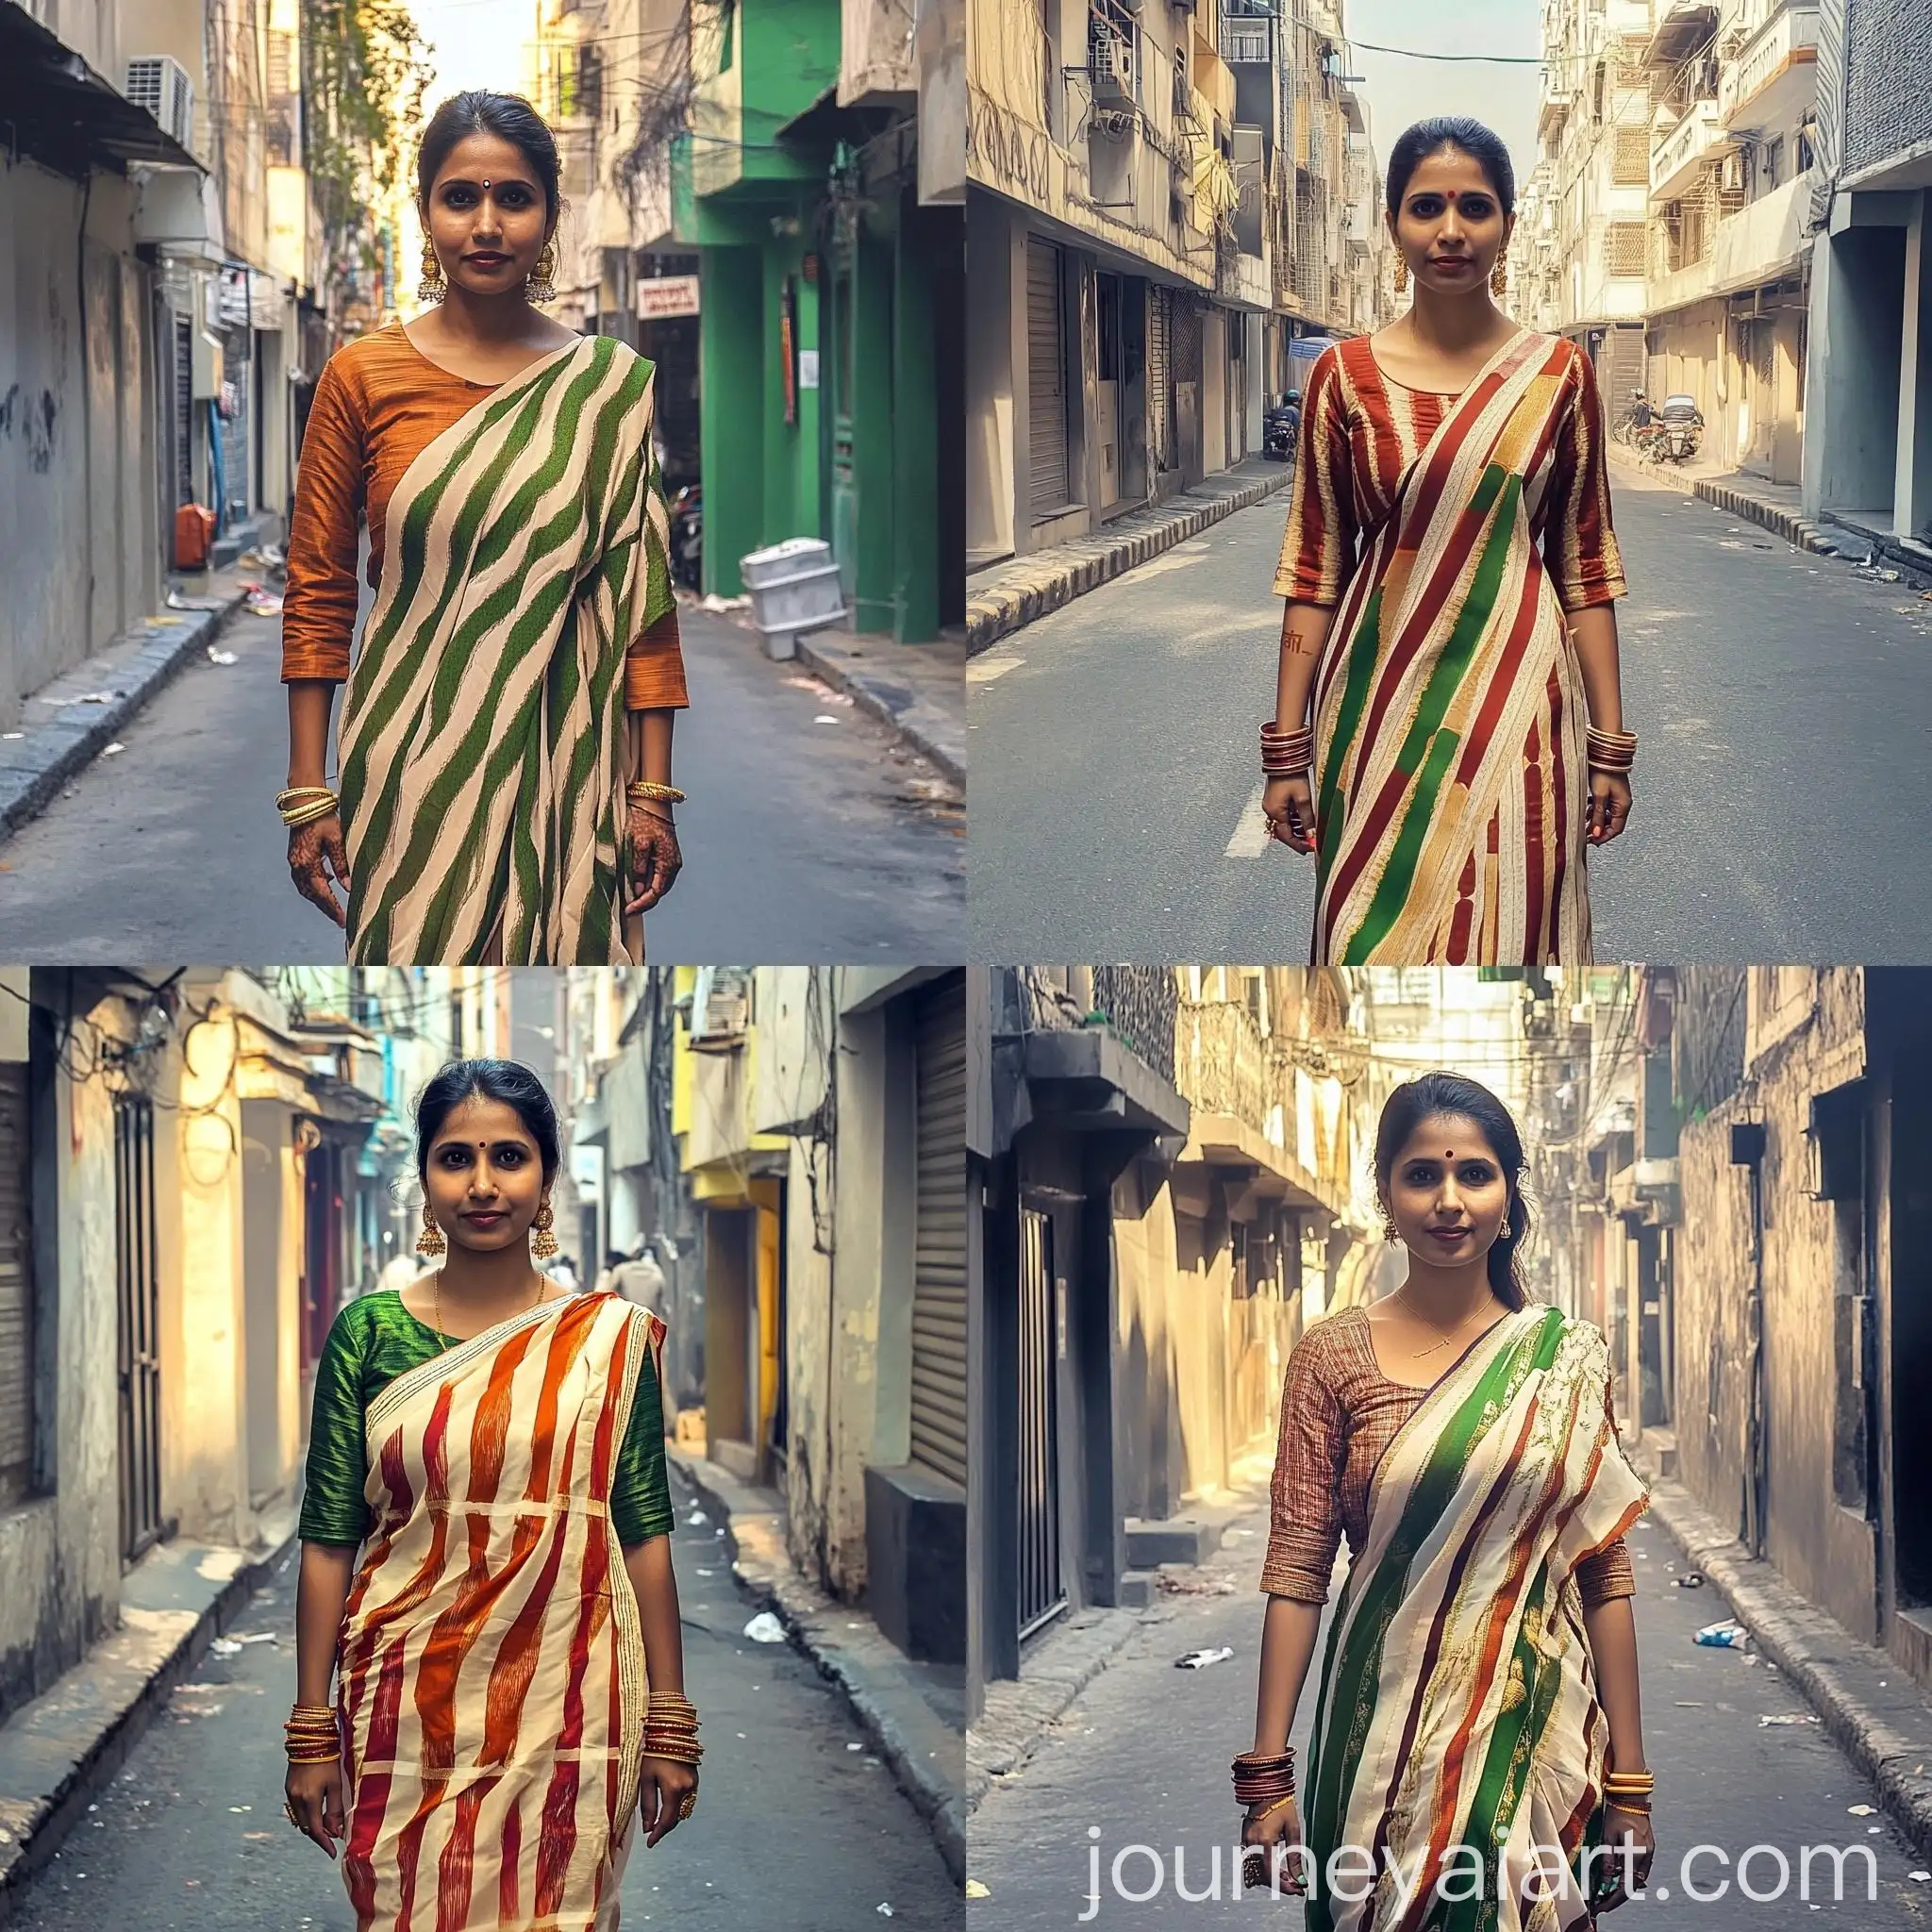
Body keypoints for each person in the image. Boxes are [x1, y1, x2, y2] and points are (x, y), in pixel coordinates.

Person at [284, 1059, 701, 1929]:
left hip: (568, 1706)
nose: (482, 1185)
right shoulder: (371, 1333)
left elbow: (643, 1531)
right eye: (455, 1158)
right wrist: (312, 1727)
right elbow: (329, 1539)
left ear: (546, 1177)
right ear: (425, 1180)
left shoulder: (604, 1342)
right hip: (400, 1709)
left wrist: (668, 1719)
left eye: (508, 1157)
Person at [280, 91, 690, 965]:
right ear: (426, 211)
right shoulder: (361, 377)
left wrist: (651, 791)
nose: (488, 223)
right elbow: (316, 589)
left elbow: (642, 606)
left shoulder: (605, 388)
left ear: (547, 214)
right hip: (407, 760)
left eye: (514, 197)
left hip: (571, 768)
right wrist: (307, 792)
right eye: (460, 197)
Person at [1239, 1073, 1653, 1927]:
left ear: (1509, 1194)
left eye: (1476, 1175)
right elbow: (1298, 1568)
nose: (1450, 1200)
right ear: (1386, 1195)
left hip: (1528, 1730)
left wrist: (1631, 1787)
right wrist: (1267, 1773)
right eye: (1422, 1175)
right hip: (1373, 1741)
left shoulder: (1566, 1359)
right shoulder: (1332, 1357)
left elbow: (1603, 1573)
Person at [1263, 117, 1635, 964]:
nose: (1451, 230)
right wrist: (1285, 750)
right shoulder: (1341, 377)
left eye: (1476, 207)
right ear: (1395, 223)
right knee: (1362, 936)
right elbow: (1315, 567)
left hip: (1521, 711)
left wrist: (1610, 748)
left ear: (1505, 222)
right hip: (1373, 713)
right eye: (1426, 206)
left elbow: (1585, 567)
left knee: (1513, 925)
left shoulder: (1560, 376)